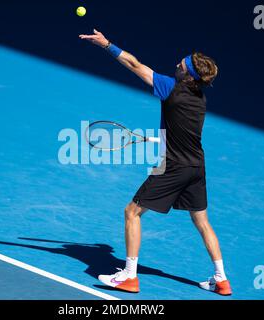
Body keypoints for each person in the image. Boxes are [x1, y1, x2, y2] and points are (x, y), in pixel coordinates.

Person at [79, 29, 232, 296]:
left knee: (131, 213)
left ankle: (128, 276)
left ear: (187, 76)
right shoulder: (200, 99)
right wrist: (158, 139)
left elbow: (134, 64)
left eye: (181, 65)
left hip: (171, 166)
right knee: (202, 222)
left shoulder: (169, 87)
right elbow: (183, 132)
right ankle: (221, 279)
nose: (176, 65)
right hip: (196, 167)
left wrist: (107, 45)